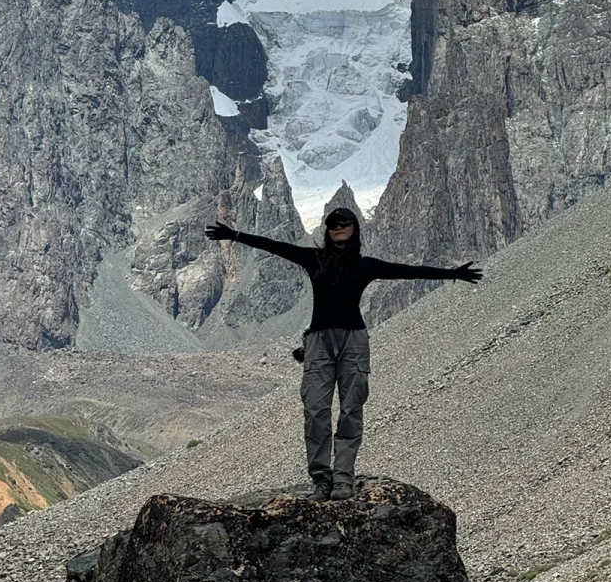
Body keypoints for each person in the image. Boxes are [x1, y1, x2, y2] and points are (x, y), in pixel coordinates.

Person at [205, 208, 482, 501]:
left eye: (344, 223)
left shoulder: (366, 266)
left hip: (354, 341)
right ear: (327, 230)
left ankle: (343, 478)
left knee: (351, 409)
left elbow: (408, 271)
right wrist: (234, 235)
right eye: (333, 224)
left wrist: (453, 274)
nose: (338, 228)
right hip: (319, 342)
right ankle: (322, 478)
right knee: (315, 410)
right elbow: (275, 246)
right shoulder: (314, 259)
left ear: (354, 229)